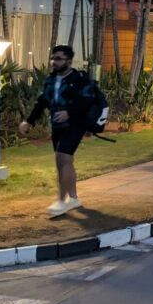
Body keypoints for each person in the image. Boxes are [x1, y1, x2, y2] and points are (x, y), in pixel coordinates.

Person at [19, 45, 95, 217]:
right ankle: (73, 198)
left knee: (62, 158)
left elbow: (87, 101)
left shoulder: (79, 78)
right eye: (53, 58)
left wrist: (69, 112)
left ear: (69, 61)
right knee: (64, 162)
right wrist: (28, 121)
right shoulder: (51, 80)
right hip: (58, 127)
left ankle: (61, 201)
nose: (54, 62)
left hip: (75, 125)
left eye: (59, 59)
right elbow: (42, 102)